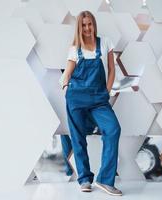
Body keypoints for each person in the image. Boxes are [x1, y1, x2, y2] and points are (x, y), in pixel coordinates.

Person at [60, 11, 122, 196]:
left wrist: (107, 91)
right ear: (80, 27)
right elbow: (68, 73)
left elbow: (112, 70)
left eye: (90, 24)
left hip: (98, 98)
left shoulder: (105, 43)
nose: (87, 28)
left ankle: (105, 180)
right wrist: (65, 88)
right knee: (78, 138)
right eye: (83, 25)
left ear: (94, 24)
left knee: (113, 129)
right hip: (76, 98)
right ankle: (85, 179)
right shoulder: (74, 49)